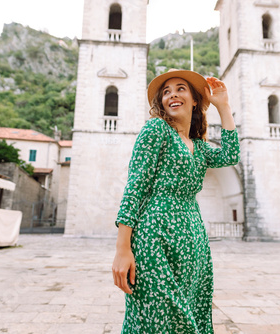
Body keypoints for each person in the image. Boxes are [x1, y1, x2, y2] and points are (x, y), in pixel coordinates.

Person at [112, 69, 240, 333]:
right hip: (155, 238)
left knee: (190, 315)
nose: (172, 95)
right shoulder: (156, 130)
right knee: (155, 319)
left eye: (181, 88)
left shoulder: (200, 147)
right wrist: (123, 248)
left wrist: (223, 106)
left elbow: (230, 154)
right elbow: (135, 186)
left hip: (193, 246)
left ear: (194, 100)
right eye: (166, 92)